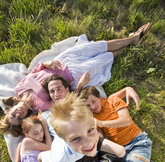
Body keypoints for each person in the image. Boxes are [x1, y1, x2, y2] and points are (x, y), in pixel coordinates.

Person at [0, 22, 151, 135]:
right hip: (72, 74)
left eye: (13, 114)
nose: (18, 114)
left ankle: (132, 39)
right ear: (25, 118)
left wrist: (46, 63)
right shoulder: (40, 108)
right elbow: (65, 100)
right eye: (19, 119)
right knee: (104, 58)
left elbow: (34, 71)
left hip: (62, 60)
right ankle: (132, 41)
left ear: (10, 109)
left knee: (98, 46)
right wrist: (79, 85)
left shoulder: (19, 89)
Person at [80, 86, 164, 162]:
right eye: (88, 105)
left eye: (93, 101)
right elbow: (101, 136)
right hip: (121, 152)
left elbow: (125, 121)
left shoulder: (112, 100)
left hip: (138, 144)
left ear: (99, 97)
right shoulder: (93, 117)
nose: (92, 107)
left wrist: (101, 123)